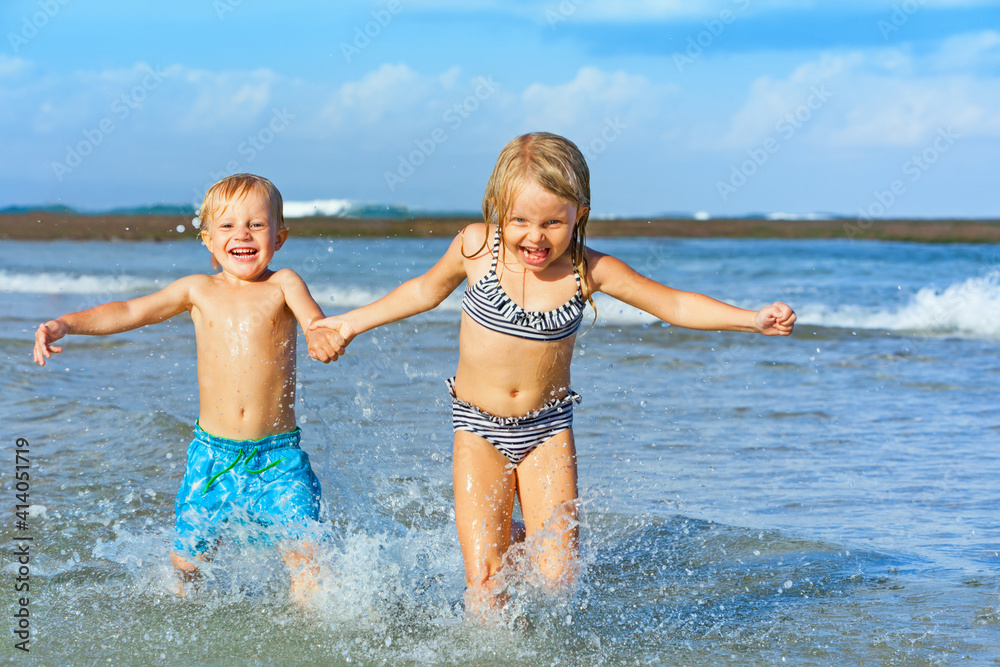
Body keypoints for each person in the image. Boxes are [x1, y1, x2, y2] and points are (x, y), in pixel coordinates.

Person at [310, 132, 796, 611]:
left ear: (577, 214)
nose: (535, 236)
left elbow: (671, 303)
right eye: (520, 219)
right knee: (484, 584)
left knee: (558, 579)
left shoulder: (589, 271)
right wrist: (348, 324)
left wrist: (750, 320)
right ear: (498, 208)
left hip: (547, 430)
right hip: (478, 427)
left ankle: (517, 542)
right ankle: (500, 585)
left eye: (552, 223)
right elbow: (422, 291)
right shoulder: (477, 248)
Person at [33, 173, 346, 604]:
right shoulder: (197, 290)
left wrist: (318, 336)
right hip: (211, 456)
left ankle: (310, 633)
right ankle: (184, 618)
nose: (243, 235)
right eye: (228, 226)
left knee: (307, 555)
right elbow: (129, 310)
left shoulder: (284, 284)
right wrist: (63, 324)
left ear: (280, 236)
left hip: (278, 456)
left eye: (256, 225)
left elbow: (314, 321)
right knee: (188, 563)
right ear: (208, 241)